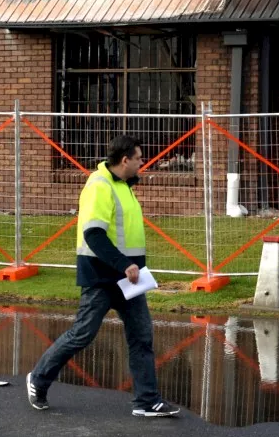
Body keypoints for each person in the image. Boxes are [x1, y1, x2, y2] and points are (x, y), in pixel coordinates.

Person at [26, 135, 180, 418]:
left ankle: (147, 400)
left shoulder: (124, 187)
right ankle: (38, 378)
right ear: (125, 160)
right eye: (139, 158)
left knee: (142, 337)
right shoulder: (99, 186)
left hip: (129, 279)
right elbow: (93, 235)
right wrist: (123, 264)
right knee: (81, 335)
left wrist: (131, 267)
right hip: (102, 276)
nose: (142, 163)